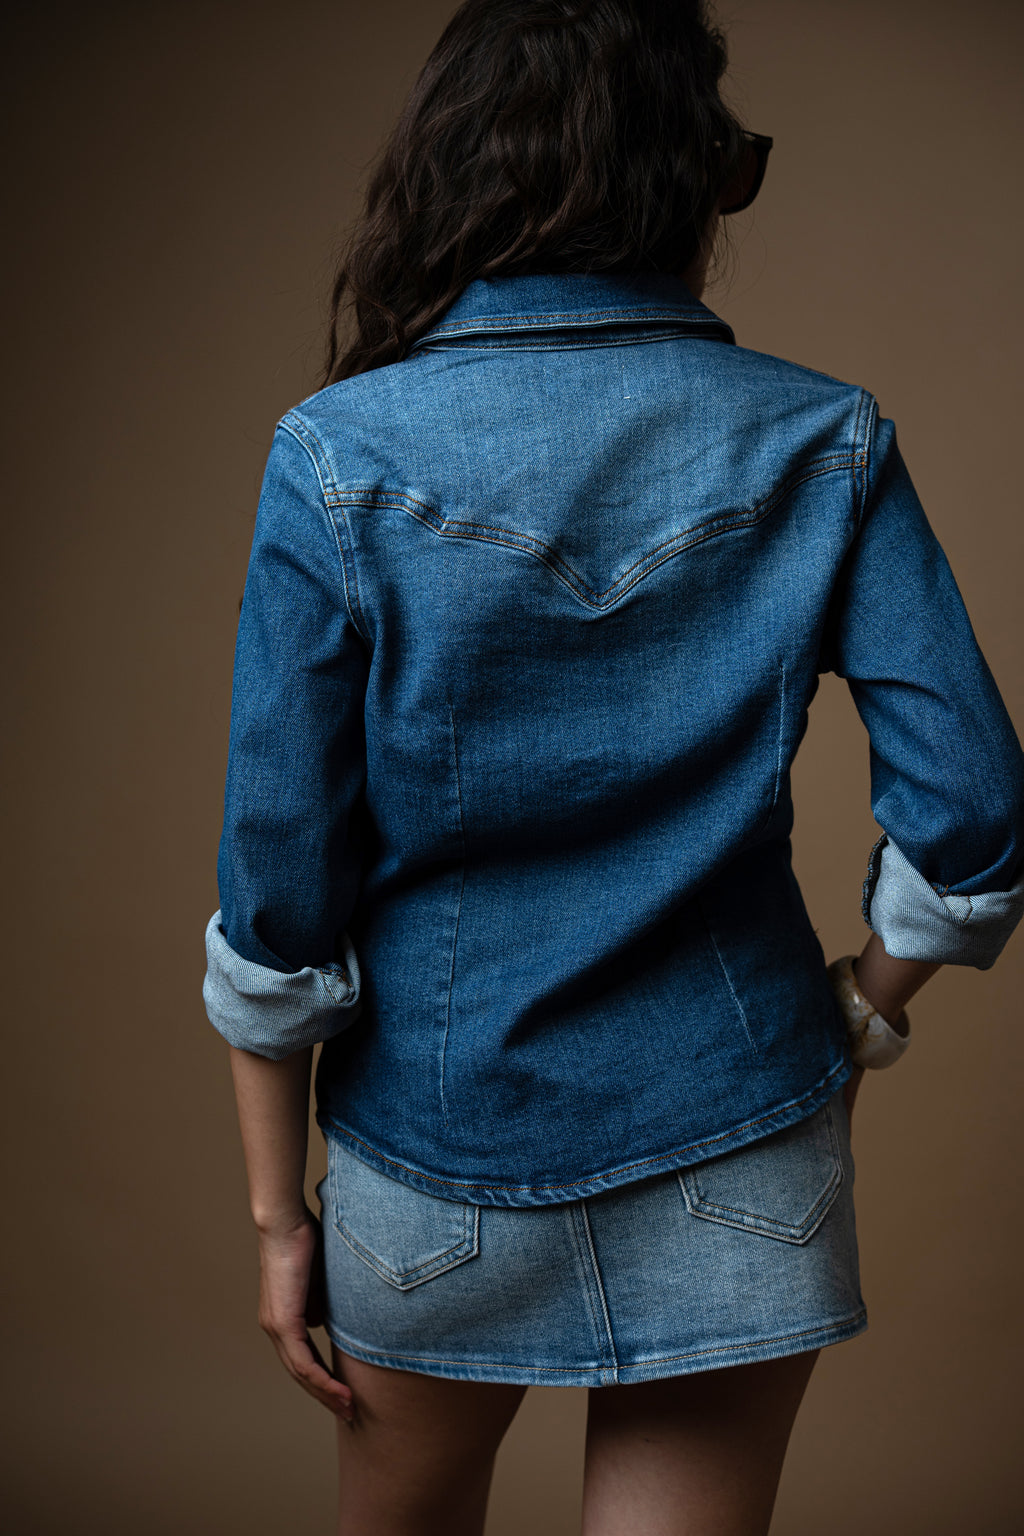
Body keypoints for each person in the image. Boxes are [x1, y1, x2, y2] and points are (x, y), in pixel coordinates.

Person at [202, 2, 1024, 1532]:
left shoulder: (334, 453)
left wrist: (274, 1223)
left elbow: (280, 892)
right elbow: (974, 812)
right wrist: (862, 1013)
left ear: (451, 173)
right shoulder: (824, 439)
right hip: (744, 1140)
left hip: (428, 1169)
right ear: (688, 180)